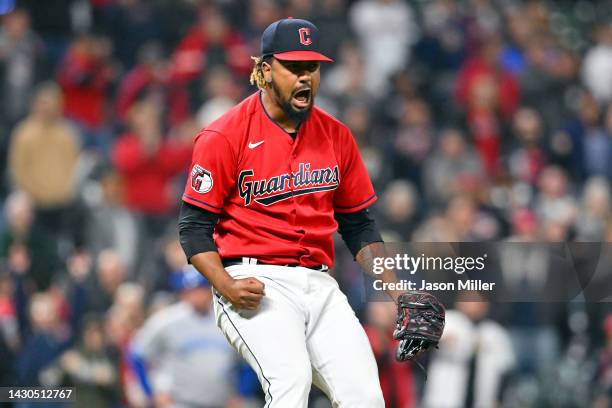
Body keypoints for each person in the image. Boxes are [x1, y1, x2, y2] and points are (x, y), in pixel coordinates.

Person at [178, 18, 409, 407]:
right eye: (294, 68)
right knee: (291, 383)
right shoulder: (224, 135)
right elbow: (193, 228)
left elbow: (359, 226)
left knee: (366, 397)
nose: (305, 78)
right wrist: (225, 284)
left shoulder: (336, 135)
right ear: (266, 71)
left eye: (312, 68)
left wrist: (398, 291)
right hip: (252, 279)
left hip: (319, 284)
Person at [129, 266, 252, 407]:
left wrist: (242, 393)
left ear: (210, 291)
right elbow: (137, 354)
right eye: (191, 291)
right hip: (180, 402)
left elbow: (248, 362)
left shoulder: (227, 319)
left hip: (220, 402)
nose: (196, 296)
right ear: (183, 294)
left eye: (201, 290)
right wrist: (151, 393)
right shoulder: (167, 320)